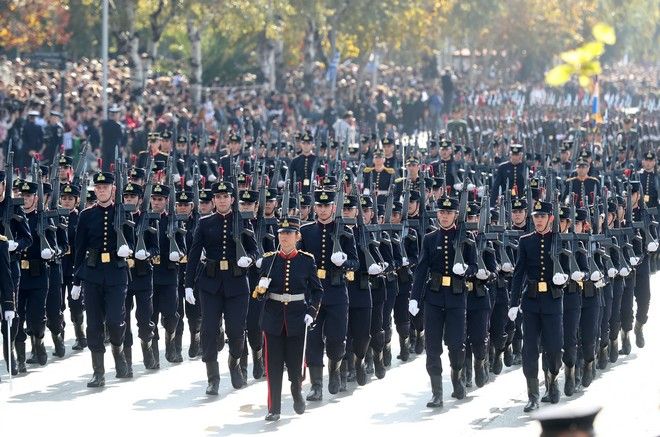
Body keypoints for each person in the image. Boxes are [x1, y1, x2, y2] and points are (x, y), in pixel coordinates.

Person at [184, 180, 258, 395]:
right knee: (208, 330)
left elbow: (255, 250)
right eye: (218, 197)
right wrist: (188, 285)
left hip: (237, 284)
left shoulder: (244, 221)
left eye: (226, 196)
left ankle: (234, 362)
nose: (222, 200)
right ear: (214, 200)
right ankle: (212, 378)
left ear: (232, 199)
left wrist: (249, 259)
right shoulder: (205, 223)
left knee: (236, 331)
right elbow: (194, 255)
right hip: (210, 284)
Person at [253, 216, 323, 421]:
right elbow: (261, 290)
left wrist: (312, 312)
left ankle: (296, 391)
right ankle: (274, 408)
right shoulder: (268, 259)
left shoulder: (306, 260)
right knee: (273, 365)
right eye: (282, 233)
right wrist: (260, 290)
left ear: (297, 236)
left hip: (297, 317)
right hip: (273, 318)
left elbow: (317, 291)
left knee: (295, 364)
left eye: (289, 233)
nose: (284, 237)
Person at [409, 195, 477, 408]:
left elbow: (476, 267)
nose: (445, 216)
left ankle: (457, 377)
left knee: (456, 345)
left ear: (456, 215)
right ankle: (436, 392)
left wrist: (466, 270)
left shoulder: (467, 238)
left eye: (449, 213)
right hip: (434, 298)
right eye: (441, 212)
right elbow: (421, 270)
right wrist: (414, 297)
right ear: (437, 214)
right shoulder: (430, 239)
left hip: (457, 297)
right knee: (432, 346)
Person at [71, 171, 134, 387]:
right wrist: (76, 280)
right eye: (98, 188)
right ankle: (98, 372)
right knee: (94, 324)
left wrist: (129, 249)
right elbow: (79, 250)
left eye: (105, 187)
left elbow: (134, 243)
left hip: (117, 273)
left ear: (113, 189)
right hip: (92, 274)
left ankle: (118, 355)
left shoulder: (124, 213)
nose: (101, 191)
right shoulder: (86, 215)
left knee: (116, 322)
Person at [509, 200, 566, 412]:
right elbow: (518, 273)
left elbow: (569, 267)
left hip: (552, 300)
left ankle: (552, 381)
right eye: (536, 216)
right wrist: (513, 303)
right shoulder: (526, 241)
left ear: (550, 218)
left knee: (553, 348)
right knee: (529, 350)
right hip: (531, 302)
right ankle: (532, 395)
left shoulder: (559, 240)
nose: (539, 220)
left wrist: (565, 278)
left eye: (542, 216)